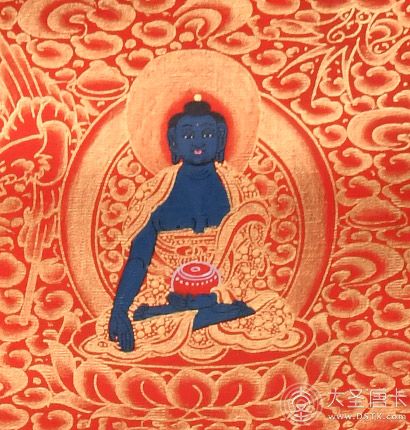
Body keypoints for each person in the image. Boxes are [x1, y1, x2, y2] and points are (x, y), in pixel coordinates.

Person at [108, 97, 255, 352]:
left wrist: (225, 295)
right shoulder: (155, 195)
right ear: (173, 142)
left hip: (224, 298)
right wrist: (119, 309)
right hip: (167, 297)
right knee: (130, 323)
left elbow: (250, 260)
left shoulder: (239, 192)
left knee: (271, 310)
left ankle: (196, 317)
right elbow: (139, 259)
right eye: (188, 136)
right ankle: (195, 318)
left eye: (207, 134)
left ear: (221, 139)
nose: (198, 142)